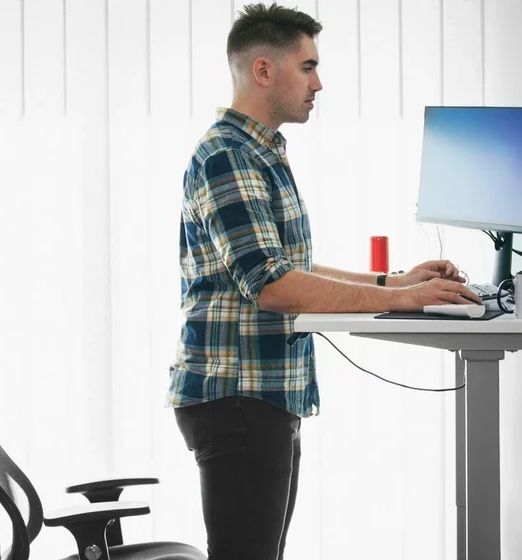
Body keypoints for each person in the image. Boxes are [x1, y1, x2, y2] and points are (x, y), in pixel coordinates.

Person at [166, 3, 481, 559]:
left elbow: (291, 265)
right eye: (308, 67)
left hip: (260, 391)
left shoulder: (258, 154)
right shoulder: (229, 158)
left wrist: (393, 280)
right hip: (236, 395)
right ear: (264, 71)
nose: (319, 83)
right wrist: (402, 299)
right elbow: (273, 285)